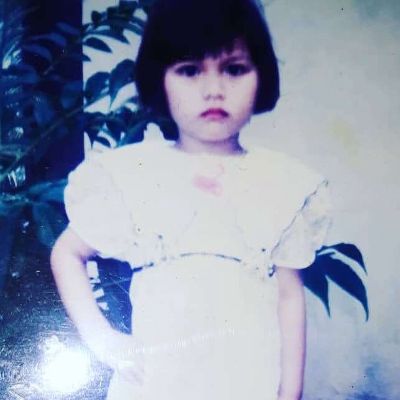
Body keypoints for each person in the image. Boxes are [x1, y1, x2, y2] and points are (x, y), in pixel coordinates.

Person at [50, 0, 331, 399]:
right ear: (160, 80)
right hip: (158, 383)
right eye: (189, 70)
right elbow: (67, 253)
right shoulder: (135, 175)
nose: (214, 89)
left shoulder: (281, 183)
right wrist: (102, 339)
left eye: (234, 69)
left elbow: (289, 296)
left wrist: (290, 393)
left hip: (247, 381)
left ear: (261, 76)